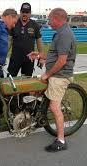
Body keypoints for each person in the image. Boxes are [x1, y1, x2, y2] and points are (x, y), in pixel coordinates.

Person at [28, 8, 76, 152]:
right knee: (33, 89)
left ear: (56, 19)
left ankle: (61, 140)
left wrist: (47, 74)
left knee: (54, 107)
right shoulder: (60, 33)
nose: (48, 22)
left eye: (49, 19)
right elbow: (54, 55)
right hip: (55, 74)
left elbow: (61, 61)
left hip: (60, 76)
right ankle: (36, 118)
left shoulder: (65, 35)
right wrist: (39, 55)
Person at [7, 2, 44, 77]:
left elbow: (39, 41)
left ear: (30, 13)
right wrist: (4, 53)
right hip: (15, 58)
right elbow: (9, 40)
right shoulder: (14, 23)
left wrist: (41, 57)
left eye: (27, 12)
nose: (25, 14)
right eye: (23, 12)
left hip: (29, 59)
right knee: (10, 79)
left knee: (26, 80)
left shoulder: (34, 25)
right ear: (20, 12)